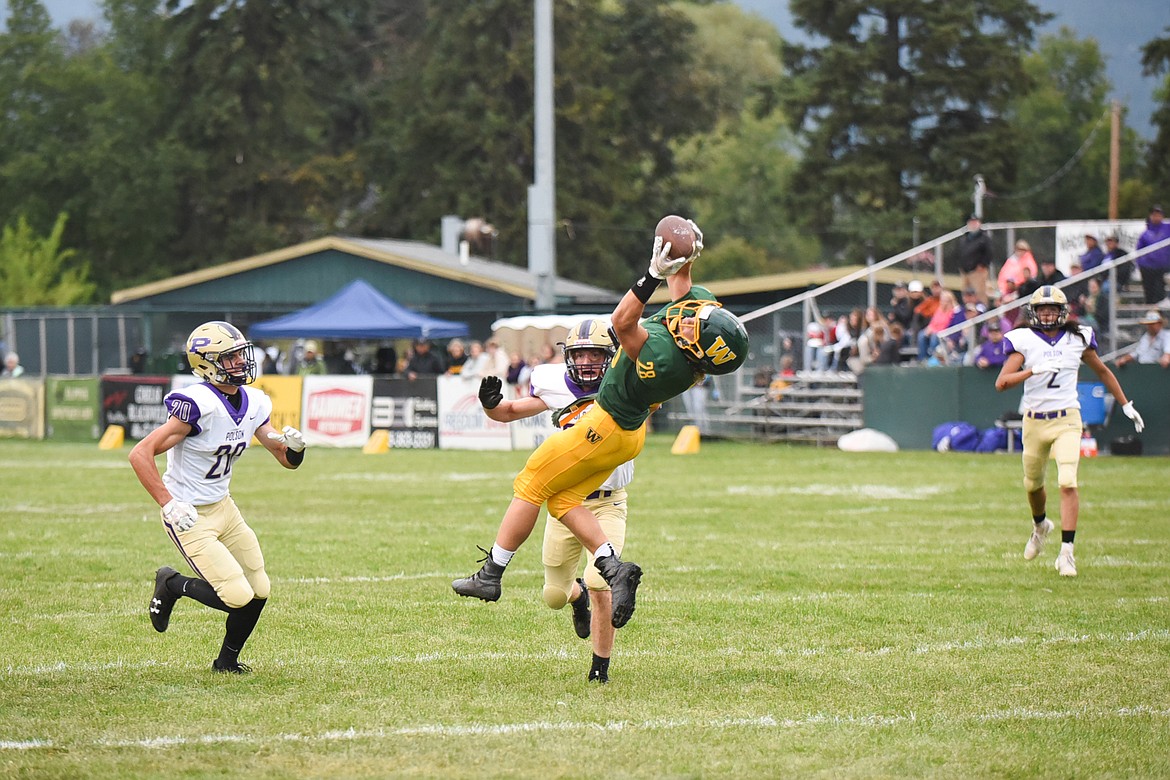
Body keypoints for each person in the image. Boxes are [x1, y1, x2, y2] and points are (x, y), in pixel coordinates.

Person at [451, 218, 748, 630]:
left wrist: (651, 275)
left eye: (692, 327)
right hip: (625, 436)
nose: (688, 319)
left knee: (531, 483)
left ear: (693, 346)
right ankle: (612, 566)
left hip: (603, 425)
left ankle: (491, 575)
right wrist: (686, 257)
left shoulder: (663, 357)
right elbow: (684, 293)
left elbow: (621, 323)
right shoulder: (696, 334)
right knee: (563, 499)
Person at [128, 321, 307, 673]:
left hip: (224, 507)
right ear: (207, 363)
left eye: (241, 354)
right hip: (188, 513)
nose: (242, 362)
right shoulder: (197, 403)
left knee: (259, 587)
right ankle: (172, 583)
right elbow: (140, 454)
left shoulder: (254, 401)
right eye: (231, 357)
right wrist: (169, 504)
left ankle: (226, 663)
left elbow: (284, 459)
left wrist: (296, 449)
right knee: (236, 595)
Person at [477, 318, 632, 683]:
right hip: (564, 503)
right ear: (569, 358)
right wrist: (490, 406)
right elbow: (511, 411)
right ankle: (575, 599)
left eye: (596, 354)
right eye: (581, 355)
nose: (589, 362)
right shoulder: (552, 383)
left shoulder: (627, 385)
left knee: (601, 582)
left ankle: (600, 668)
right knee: (554, 595)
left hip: (607, 502)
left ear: (609, 357)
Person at [995, 287, 1144, 577]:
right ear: (1034, 312)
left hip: (1067, 418)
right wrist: (1033, 371)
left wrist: (1125, 404)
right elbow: (1001, 382)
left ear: (1063, 312)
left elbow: (1102, 371)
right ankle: (1040, 526)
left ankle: (1067, 553)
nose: (1048, 314)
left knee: (1068, 481)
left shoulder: (1078, 338)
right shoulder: (1023, 339)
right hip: (1035, 420)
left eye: (1053, 309)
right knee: (1032, 485)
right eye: (1043, 309)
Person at [1135, 205, 1170, 306]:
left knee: (1159, 292)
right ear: (1151, 216)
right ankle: (1150, 312)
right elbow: (1139, 250)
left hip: (1162, 267)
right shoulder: (1145, 234)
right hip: (1148, 267)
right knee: (1149, 292)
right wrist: (1141, 264)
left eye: (1159, 215)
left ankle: (1159, 312)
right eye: (1154, 215)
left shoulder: (1167, 228)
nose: (1157, 217)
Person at [957, 214, 994, 306]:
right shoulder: (965, 238)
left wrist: (982, 265)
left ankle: (982, 312)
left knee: (979, 293)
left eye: (975, 222)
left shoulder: (984, 238)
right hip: (965, 271)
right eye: (971, 222)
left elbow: (989, 253)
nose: (973, 224)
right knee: (965, 293)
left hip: (977, 271)